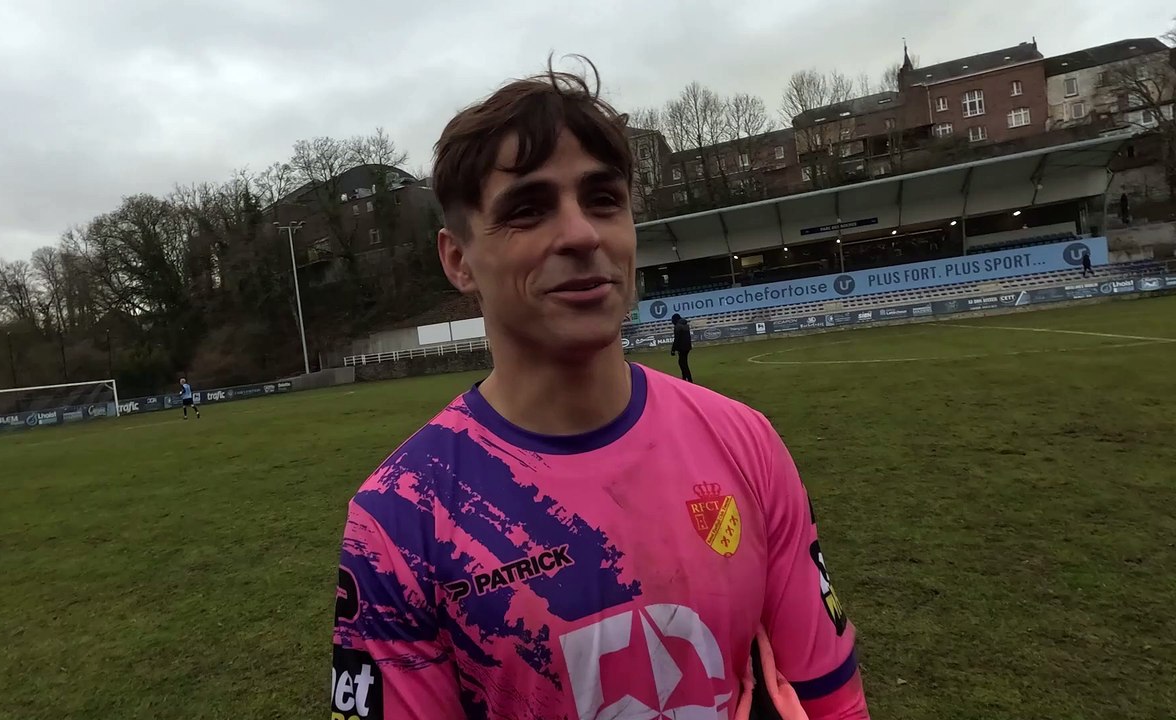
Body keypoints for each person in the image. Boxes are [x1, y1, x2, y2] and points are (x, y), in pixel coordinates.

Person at [329, 56, 869, 720]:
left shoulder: (746, 444)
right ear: (458, 259)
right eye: (528, 210)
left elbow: (832, 701)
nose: (582, 234)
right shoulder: (400, 516)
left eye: (603, 200)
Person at [671, 312, 694, 382]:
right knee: (683, 362)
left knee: (682, 363)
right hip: (687, 346)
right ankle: (685, 378)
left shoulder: (677, 326)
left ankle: (689, 379)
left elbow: (677, 339)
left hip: (681, 347)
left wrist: (673, 349)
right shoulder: (685, 325)